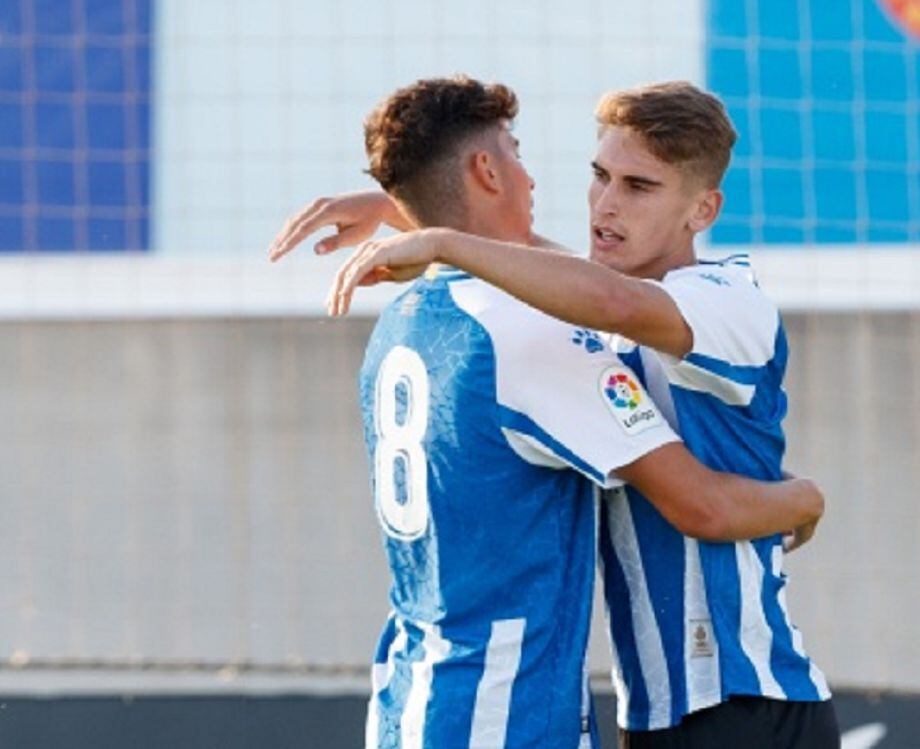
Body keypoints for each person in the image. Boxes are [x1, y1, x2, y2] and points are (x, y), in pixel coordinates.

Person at [278, 81, 840, 748]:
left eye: (638, 186)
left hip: (749, 697)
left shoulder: (726, 300)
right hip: (647, 711)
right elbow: (568, 284)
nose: (604, 203)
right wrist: (413, 213)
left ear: (702, 209)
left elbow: (615, 306)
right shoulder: (575, 311)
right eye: (600, 176)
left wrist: (807, 498)